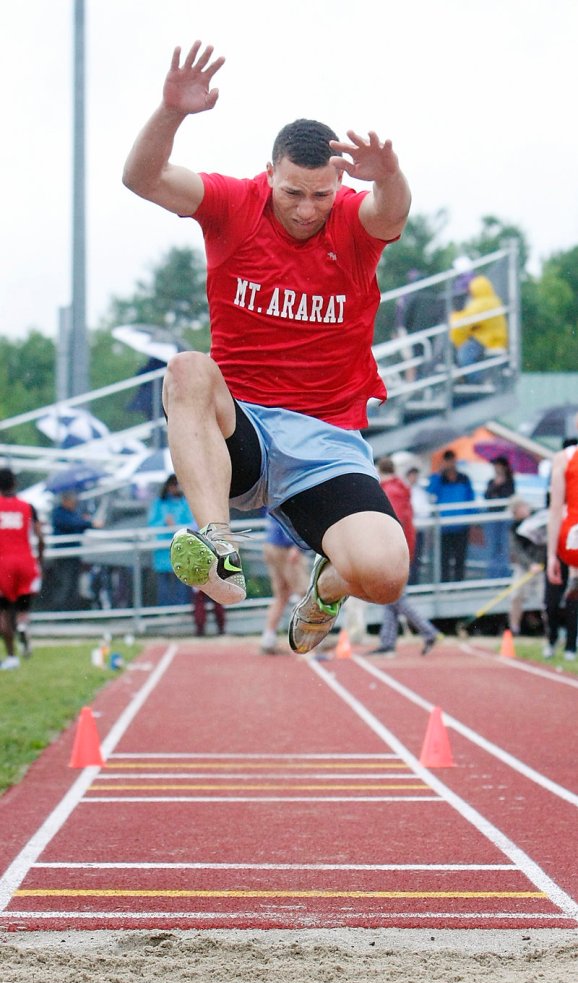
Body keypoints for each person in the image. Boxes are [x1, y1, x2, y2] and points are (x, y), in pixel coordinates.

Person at [123, 39, 411, 656]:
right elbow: (141, 178)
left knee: (386, 576)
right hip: (243, 430)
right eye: (292, 193)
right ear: (270, 174)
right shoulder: (233, 204)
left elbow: (392, 213)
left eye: (321, 195)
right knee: (187, 368)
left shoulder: (356, 223)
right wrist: (171, 111)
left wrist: (388, 174)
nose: (307, 210)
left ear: (340, 183)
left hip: (327, 443)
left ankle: (326, 587)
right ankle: (217, 544)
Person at [370, 458, 439, 656]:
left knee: (396, 597)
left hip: (394, 550)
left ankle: (427, 631)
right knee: (390, 595)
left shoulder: (392, 491)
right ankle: (388, 641)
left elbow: (393, 522)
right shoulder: (397, 489)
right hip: (400, 548)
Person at [0, 468, 44, 669]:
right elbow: (40, 536)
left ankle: (11, 656)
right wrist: (40, 560)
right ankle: (23, 626)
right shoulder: (28, 507)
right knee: (22, 607)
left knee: (3, 612)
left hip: (2, 565)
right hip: (25, 563)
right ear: (15, 484)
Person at [545, 430, 578, 660]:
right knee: (559, 597)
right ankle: (558, 642)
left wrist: (550, 556)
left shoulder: (562, 459)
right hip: (569, 531)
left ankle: (565, 644)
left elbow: (555, 509)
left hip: (569, 534)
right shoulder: (565, 459)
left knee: (558, 597)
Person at [260, 514, 309, 654]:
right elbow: (289, 517)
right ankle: (306, 638)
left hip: (271, 544)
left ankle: (268, 638)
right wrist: (295, 546)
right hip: (284, 547)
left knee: (281, 596)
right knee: (304, 594)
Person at [427, 450, 476, 582]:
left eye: (452, 460)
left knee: (460, 557)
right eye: (447, 461)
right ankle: (445, 584)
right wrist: (438, 474)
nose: (450, 463)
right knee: (444, 558)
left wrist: (470, 518)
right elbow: (430, 492)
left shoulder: (464, 479)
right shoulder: (438, 479)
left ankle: (459, 583)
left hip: (461, 525)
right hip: (444, 526)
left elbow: (470, 499)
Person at [449, 275, 508, 383]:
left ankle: (476, 381)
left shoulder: (482, 303)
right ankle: (468, 378)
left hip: (489, 339)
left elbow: (463, 322)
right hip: (491, 337)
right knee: (465, 350)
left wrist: (453, 316)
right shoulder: (493, 300)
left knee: (464, 354)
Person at [147, 474, 194, 605]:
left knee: (182, 581)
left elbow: (191, 523)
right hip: (163, 548)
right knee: (164, 583)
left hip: (181, 547)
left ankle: (182, 607)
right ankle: (165, 609)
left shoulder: (185, 503)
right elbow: (151, 523)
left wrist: (176, 527)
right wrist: (165, 523)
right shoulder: (159, 503)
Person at [50, 491, 102, 611]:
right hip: (63, 555)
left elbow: (79, 524)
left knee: (73, 584)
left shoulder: (72, 513)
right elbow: (74, 523)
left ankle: (71, 612)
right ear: (65, 500)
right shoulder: (59, 513)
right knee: (64, 584)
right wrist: (90, 523)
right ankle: (60, 612)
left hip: (73, 555)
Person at [508, 497, 545, 637]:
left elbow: (544, 542)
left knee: (545, 599)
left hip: (542, 567)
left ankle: (550, 630)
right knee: (515, 596)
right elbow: (516, 550)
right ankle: (514, 628)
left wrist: (540, 562)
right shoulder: (514, 528)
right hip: (524, 568)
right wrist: (529, 564)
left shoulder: (538, 520)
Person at [483, 456, 515, 578]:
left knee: (504, 548)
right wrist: (496, 485)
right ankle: (492, 577)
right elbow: (487, 496)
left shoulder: (510, 482)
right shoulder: (492, 482)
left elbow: (509, 496)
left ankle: (503, 577)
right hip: (492, 519)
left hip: (505, 520)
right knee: (493, 549)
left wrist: (501, 484)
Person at [406, 465, 431, 585]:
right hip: (407, 529)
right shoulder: (405, 490)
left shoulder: (420, 492)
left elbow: (425, 510)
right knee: (408, 559)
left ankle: (414, 584)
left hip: (418, 529)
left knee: (416, 558)